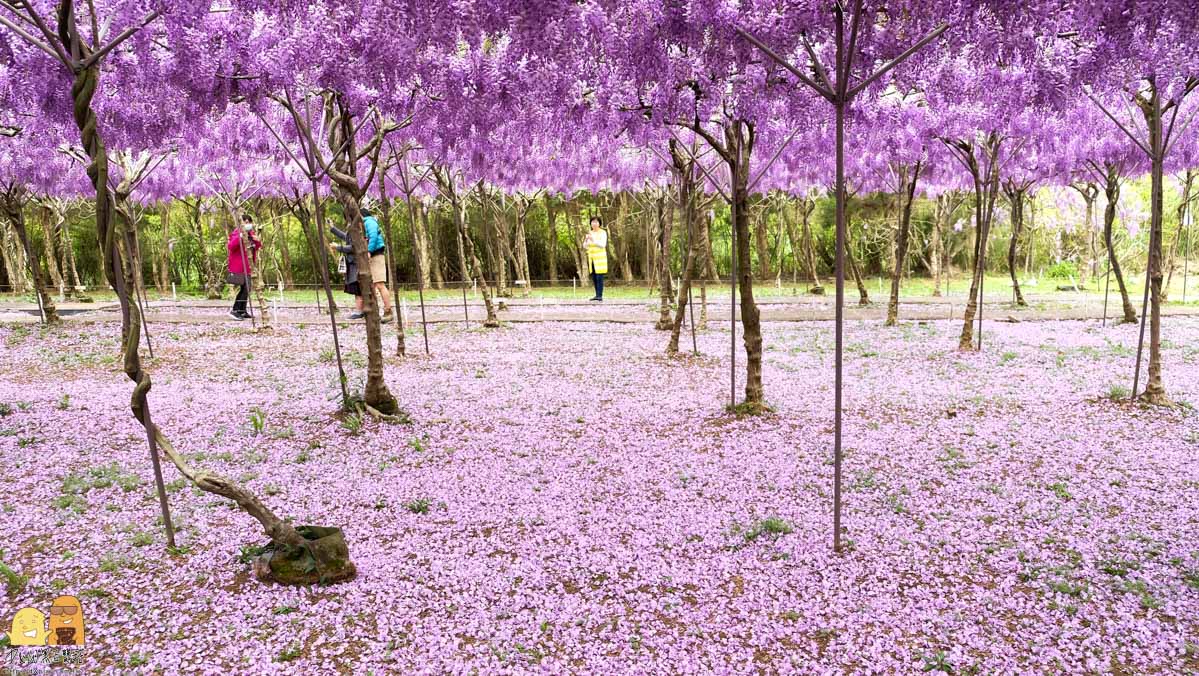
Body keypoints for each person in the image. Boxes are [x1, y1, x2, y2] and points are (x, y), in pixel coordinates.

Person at [330, 209, 394, 323]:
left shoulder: (369, 222)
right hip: (370, 257)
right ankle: (375, 312)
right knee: (373, 286)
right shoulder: (362, 225)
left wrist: (368, 251)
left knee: (379, 284)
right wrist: (333, 228)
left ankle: (388, 311)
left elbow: (373, 236)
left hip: (376, 255)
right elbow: (349, 238)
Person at [227, 214, 261, 320]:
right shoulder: (236, 233)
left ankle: (242, 310)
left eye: (249, 222)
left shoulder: (251, 234)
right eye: (245, 222)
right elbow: (231, 246)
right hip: (238, 266)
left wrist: (256, 240)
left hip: (248, 266)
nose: (247, 224)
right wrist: (241, 236)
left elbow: (257, 247)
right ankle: (235, 310)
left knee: (247, 288)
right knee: (245, 288)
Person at [583, 215, 608, 301]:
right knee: (594, 277)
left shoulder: (603, 232)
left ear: (599, 223)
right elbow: (585, 246)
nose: (594, 224)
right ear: (590, 223)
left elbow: (603, 245)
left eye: (596, 222)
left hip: (600, 259)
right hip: (592, 259)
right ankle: (597, 294)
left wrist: (593, 239)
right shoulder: (590, 233)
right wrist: (586, 240)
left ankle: (600, 295)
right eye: (593, 222)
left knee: (599, 277)